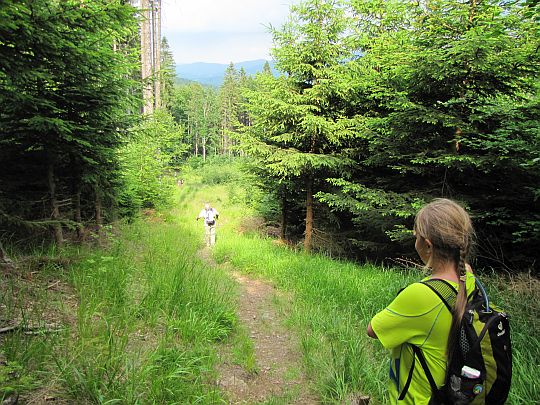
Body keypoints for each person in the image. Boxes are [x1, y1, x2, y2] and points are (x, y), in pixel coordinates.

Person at [367, 198, 476, 404]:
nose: (414, 240)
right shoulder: (468, 279)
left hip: (420, 399)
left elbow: (372, 329)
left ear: (427, 245)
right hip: (453, 395)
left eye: (416, 236)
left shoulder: (420, 295)